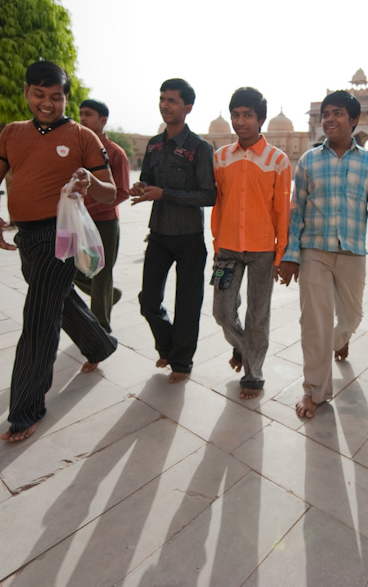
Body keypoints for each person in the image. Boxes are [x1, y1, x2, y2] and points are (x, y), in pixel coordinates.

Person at [0, 61, 119, 442]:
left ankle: (26, 409)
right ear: (26, 93)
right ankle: (99, 344)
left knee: (38, 316)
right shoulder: (12, 134)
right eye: (39, 95)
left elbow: (110, 191)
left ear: (65, 98)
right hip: (27, 236)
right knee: (57, 300)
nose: (47, 103)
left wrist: (90, 181)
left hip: (63, 235)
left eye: (56, 97)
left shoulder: (83, 136)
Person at [279, 90, 368, 418]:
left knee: (353, 317)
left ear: (354, 120)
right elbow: (296, 211)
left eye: (338, 113)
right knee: (314, 322)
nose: (330, 119)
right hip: (314, 250)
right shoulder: (310, 160)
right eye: (325, 113)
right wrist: (290, 254)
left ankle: (338, 339)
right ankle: (314, 391)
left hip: (353, 252)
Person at [131, 78, 216, 384]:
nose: (165, 105)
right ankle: (167, 346)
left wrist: (164, 194)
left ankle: (181, 361)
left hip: (189, 238)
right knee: (148, 300)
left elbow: (209, 195)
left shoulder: (199, 148)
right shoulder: (154, 144)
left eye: (172, 101)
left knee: (188, 303)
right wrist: (141, 187)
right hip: (159, 235)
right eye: (162, 99)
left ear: (187, 107)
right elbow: (147, 178)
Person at [211, 87, 291, 400]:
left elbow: (281, 211)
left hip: (261, 251)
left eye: (247, 115)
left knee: (258, 316)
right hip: (228, 248)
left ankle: (253, 374)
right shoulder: (220, 158)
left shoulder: (278, 160)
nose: (240, 121)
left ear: (260, 119)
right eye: (236, 114)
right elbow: (219, 204)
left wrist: (280, 253)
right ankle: (244, 349)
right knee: (222, 312)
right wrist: (216, 247)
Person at [75, 99, 131, 332]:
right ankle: (109, 295)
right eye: (80, 114)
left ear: (103, 120)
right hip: (77, 221)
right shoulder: (76, 149)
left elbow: (122, 192)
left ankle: (100, 330)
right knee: (72, 267)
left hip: (105, 223)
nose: (82, 119)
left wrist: (92, 209)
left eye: (88, 114)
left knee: (101, 274)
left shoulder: (115, 153)